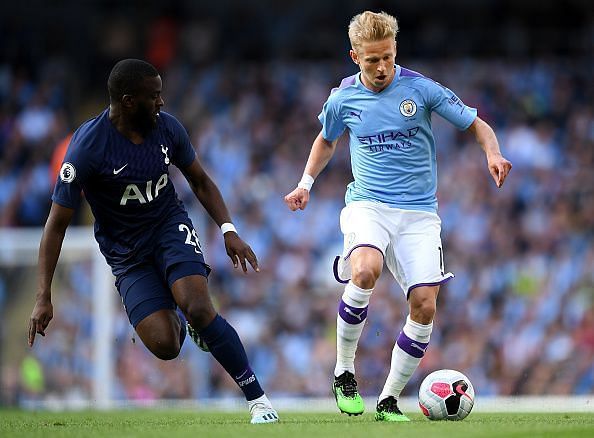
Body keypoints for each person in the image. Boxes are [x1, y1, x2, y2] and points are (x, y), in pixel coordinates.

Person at [284, 11, 511, 422]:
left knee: (424, 306)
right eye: (372, 60)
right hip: (368, 205)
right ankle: (344, 371)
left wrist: (493, 153)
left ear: (395, 50)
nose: (382, 67)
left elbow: (477, 124)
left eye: (387, 56)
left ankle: (388, 400)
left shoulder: (421, 89)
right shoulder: (342, 99)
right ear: (355, 56)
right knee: (365, 269)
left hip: (420, 214)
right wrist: (305, 183)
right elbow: (326, 140)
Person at [28, 59, 278, 424]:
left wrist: (229, 230)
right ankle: (185, 317)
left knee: (199, 306)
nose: (161, 103)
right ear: (129, 101)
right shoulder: (87, 147)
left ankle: (258, 400)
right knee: (165, 345)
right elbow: (55, 226)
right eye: (154, 96)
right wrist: (42, 296)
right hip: (126, 254)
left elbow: (201, 181)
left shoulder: (168, 129)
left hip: (167, 227)